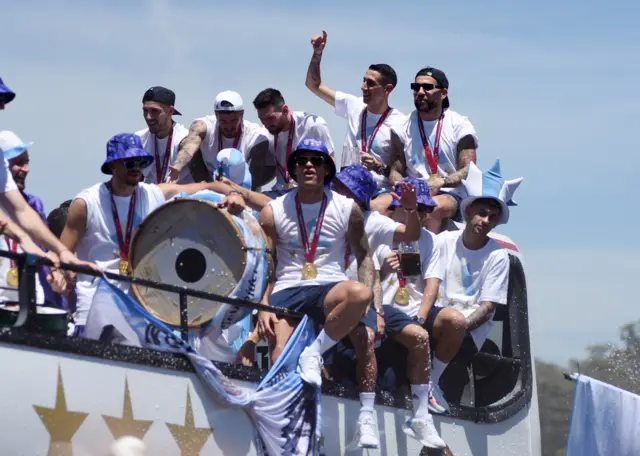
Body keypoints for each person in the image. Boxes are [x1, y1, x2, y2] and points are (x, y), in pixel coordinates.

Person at [60, 133, 245, 336]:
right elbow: (62, 252)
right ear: (112, 165)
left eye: (140, 162)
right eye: (130, 162)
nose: (136, 168)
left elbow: (206, 185)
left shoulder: (152, 194)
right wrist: (62, 277)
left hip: (140, 308)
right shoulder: (86, 203)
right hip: (95, 304)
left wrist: (233, 193)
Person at [256, 138, 374, 388]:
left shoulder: (347, 208)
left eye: (316, 161)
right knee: (279, 356)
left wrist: (372, 304)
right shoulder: (272, 211)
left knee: (361, 294)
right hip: (287, 288)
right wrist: (263, 305)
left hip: (328, 287)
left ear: (326, 169)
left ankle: (315, 353)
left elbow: (364, 255)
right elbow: (267, 263)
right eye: (302, 161)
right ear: (294, 169)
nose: (309, 165)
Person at [329, 164, 421, 449]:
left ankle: (417, 411)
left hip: (360, 301)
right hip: (325, 294)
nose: (338, 192)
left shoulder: (373, 221)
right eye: (338, 187)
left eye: (345, 189)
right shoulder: (323, 210)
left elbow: (410, 234)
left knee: (401, 337)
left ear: (359, 197)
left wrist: (412, 208)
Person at [424, 160, 522, 412]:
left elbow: (487, 308)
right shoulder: (444, 241)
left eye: (492, 216)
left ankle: (431, 383)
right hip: (437, 321)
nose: (485, 220)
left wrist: (458, 329)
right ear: (467, 212)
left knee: (454, 324)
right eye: (481, 213)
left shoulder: (498, 256)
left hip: (466, 334)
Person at [374, 177, 446, 448]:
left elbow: (432, 283)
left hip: (412, 320)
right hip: (383, 314)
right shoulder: (380, 231)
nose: (422, 214)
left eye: (425, 209)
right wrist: (383, 272)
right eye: (414, 207)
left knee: (439, 327)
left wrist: (420, 318)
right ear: (396, 207)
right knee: (392, 382)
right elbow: (363, 283)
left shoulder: (430, 240)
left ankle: (421, 412)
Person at [305, 31, 406, 204]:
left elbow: (403, 172)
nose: (363, 87)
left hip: (378, 191)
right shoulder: (354, 105)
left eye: (370, 84)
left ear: (387, 89)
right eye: (363, 80)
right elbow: (313, 85)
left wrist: (378, 166)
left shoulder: (400, 123)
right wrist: (317, 53)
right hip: (345, 183)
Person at [393, 67, 479, 233]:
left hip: (450, 192)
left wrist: (442, 181)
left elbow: (469, 169)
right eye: (416, 87)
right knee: (381, 208)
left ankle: (430, 257)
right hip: (414, 190)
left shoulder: (459, 124)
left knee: (431, 208)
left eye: (427, 87)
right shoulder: (401, 126)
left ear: (443, 93)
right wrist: (400, 184)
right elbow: (395, 169)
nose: (420, 92)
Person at [166, 91, 273, 189]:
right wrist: (176, 168)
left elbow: (262, 173)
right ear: (216, 115)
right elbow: (189, 145)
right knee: (186, 141)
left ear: (242, 114)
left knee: (262, 145)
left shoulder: (255, 134)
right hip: (211, 184)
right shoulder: (204, 125)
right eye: (223, 121)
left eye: (234, 120)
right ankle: (205, 190)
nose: (229, 126)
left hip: (244, 188)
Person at [0, 131, 57, 305]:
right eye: (18, 163)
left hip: (28, 298)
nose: (26, 169)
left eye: (26, 162)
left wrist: (56, 270)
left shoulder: (33, 204)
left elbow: (44, 248)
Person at [252, 89, 336, 194]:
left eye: (270, 118)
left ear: (285, 110)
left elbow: (331, 162)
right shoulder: (266, 132)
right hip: (282, 194)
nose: (266, 124)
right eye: (262, 119)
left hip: (310, 193)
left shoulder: (314, 126)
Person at [135, 86, 191, 184]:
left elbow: (203, 182)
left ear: (170, 111)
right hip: (153, 197)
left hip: (182, 197)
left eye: (155, 111)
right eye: (145, 111)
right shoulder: (138, 140)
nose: (148, 117)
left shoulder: (184, 139)